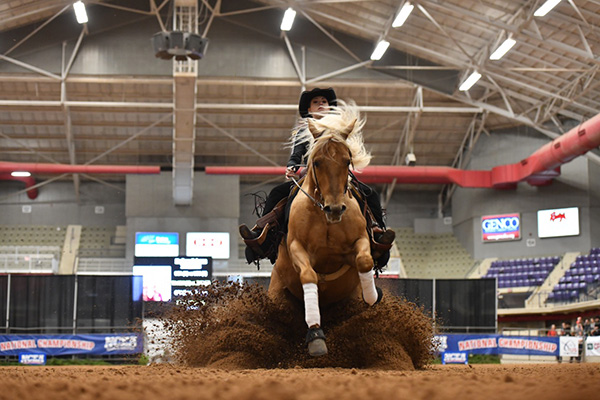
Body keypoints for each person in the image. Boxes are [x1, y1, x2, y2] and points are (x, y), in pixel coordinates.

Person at [239, 87, 395, 267]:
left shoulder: (341, 130)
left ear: (329, 107)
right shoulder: (303, 131)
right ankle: (263, 233)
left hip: (339, 176)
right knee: (276, 193)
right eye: (316, 102)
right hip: (311, 177)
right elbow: (296, 153)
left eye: (324, 101)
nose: (321, 104)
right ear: (309, 110)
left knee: (370, 194)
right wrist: (292, 165)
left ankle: (377, 232)